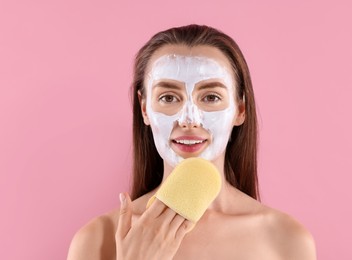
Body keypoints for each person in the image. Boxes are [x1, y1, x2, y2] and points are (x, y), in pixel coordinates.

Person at [67, 24, 316, 260]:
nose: (189, 120)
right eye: (167, 97)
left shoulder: (286, 239)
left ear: (240, 109)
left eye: (210, 96)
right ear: (144, 109)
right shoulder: (97, 240)